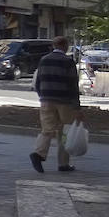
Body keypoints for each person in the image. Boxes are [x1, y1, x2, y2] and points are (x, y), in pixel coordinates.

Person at [30, 35, 81, 173]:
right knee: (64, 132)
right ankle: (63, 163)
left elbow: (38, 81)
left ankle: (38, 153)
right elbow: (73, 85)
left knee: (47, 129)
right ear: (65, 46)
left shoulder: (44, 60)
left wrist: (42, 96)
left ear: (53, 46)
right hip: (64, 101)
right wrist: (77, 106)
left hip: (46, 100)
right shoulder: (68, 61)